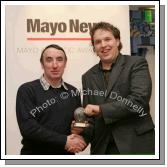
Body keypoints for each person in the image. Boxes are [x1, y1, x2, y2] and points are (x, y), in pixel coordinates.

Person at [79, 22, 155, 154]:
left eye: (107, 39)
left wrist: (100, 109)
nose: (103, 45)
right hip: (102, 148)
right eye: (98, 42)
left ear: (117, 41)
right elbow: (90, 118)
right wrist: (80, 138)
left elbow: (139, 100)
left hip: (135, 144)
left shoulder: (136, 63)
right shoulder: (88, 76)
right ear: (94, 48)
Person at [16, 44, 86, 155]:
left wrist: (78, 135)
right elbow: (28, 128)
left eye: (59, 60)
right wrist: (64, 141)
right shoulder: (27, 90)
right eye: (49, 60)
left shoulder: (74, 92)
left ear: (65, 63)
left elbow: (78, 125)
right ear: (42, 64)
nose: (55, 65)